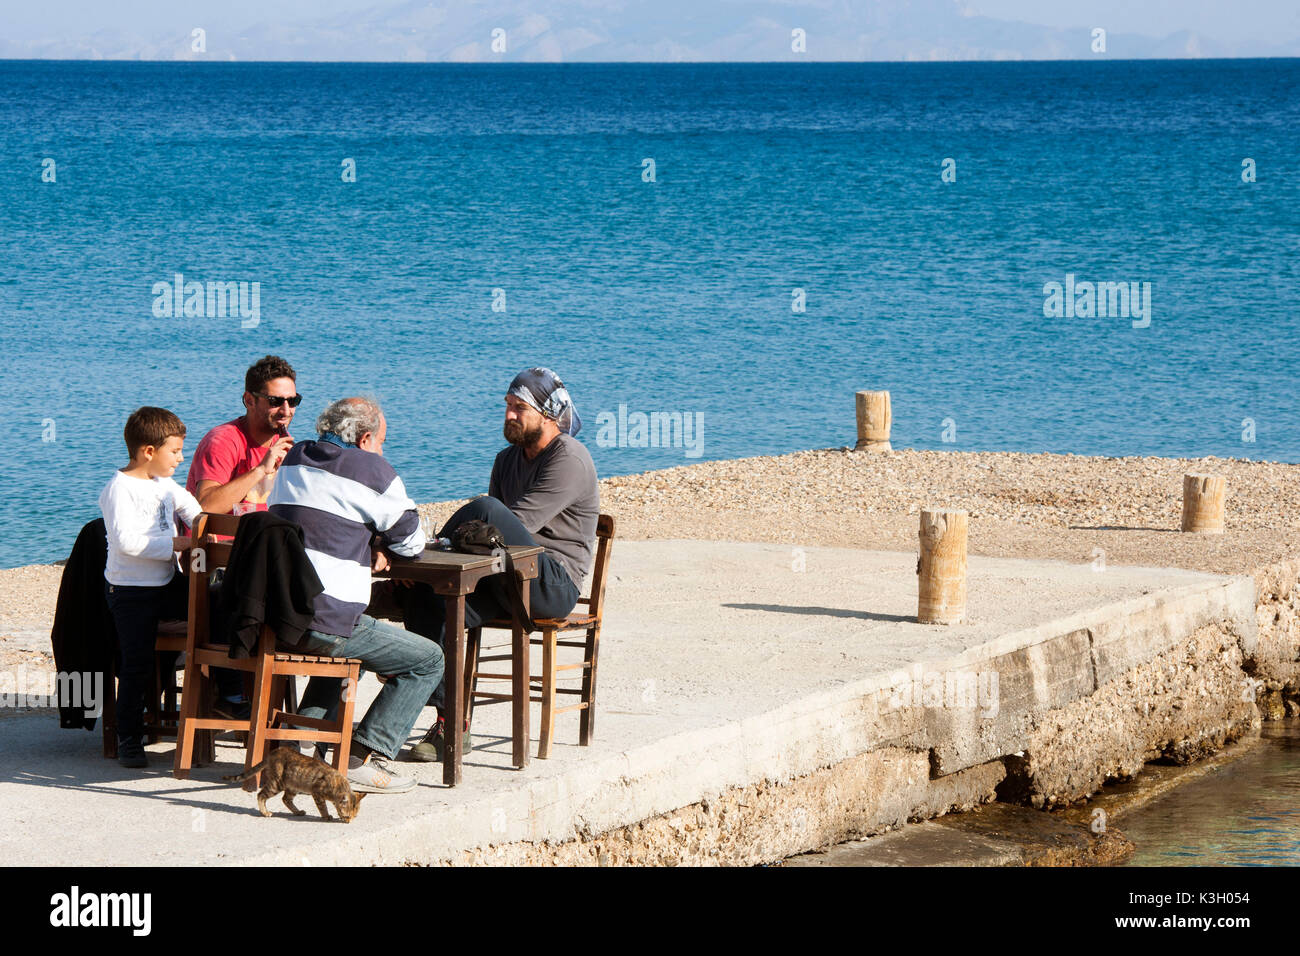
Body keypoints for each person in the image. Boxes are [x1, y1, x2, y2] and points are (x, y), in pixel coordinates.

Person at [399, 366, 598, 761]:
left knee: (488, 508)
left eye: (518, 407)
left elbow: (511, 523)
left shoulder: (570, 458)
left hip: (551, 583)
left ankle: (415, 553)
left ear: (547, 412)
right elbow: (484, 539)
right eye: (507, 405)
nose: (508, 414)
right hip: (505, 575)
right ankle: (450, 724)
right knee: (429, 599)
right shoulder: (505, 460)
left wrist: (446, 543)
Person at [269, 397, 443, 793]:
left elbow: (319, 520)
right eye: (381, 442)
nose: (383, 450)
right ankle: (361, 757)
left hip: (279, 616)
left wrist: (365, 541)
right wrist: (378, 541)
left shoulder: (295, 458)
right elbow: (413, 542)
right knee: (429, 660)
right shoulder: (372, 469)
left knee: (355, 654)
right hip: (325, 621)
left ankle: (294, 745)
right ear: (365, 439)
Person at [98, 407, 201, 768]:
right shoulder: (119, 488)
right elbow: (128, 542)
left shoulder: (165, 484)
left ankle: (224, 702)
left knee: (214, 610)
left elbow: (193, 510)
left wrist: (203, 528)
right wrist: (177, 545)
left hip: (165, 582)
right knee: (137, 664)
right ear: (148, 452)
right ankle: (130, 737)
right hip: (130, 591)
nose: (181, 458)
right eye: (175, 451)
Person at [186, 354, 299, 516]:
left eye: (293, 401)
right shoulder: (223, 441)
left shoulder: (283, 442)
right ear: (249, 400)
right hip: (221, 540)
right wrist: (260, 470)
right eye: (275, 401)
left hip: (262, 538)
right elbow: (204, 507)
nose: (286, 411)